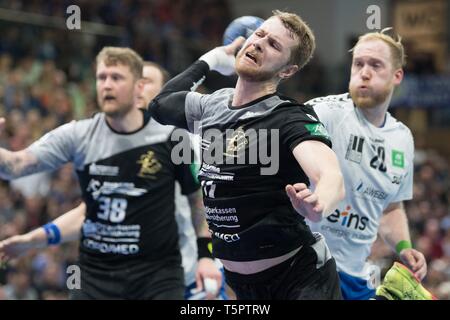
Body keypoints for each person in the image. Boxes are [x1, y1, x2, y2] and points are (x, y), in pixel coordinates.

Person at [149, 10, 345, 300]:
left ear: (287, 70)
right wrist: (214, 58)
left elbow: (330, 175)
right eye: (259, 34)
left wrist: (320, 202)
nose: (259, 43)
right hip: (241, 285)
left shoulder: (287, 116)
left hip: (299, 280)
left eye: (274, 45)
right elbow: (160, 104)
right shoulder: (210, 107)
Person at [0, 47, 220, 299]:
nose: (106, 85)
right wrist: (33, 239)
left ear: (139, 88)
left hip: (160, 276)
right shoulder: (79, 135)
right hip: (96, 277)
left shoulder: (175, 139)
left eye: (116, 78)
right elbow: (16, 166)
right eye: (101, 77)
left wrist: (206, 255)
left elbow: (197, 202)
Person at [304, 28, 435, 300]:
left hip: (356, 277)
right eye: (359, 64)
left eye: (375, 65)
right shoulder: (323, 113)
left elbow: (390, 207)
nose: (364, 72)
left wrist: (404, 247)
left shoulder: (403, 138)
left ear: (397, 75)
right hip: (306, 267)